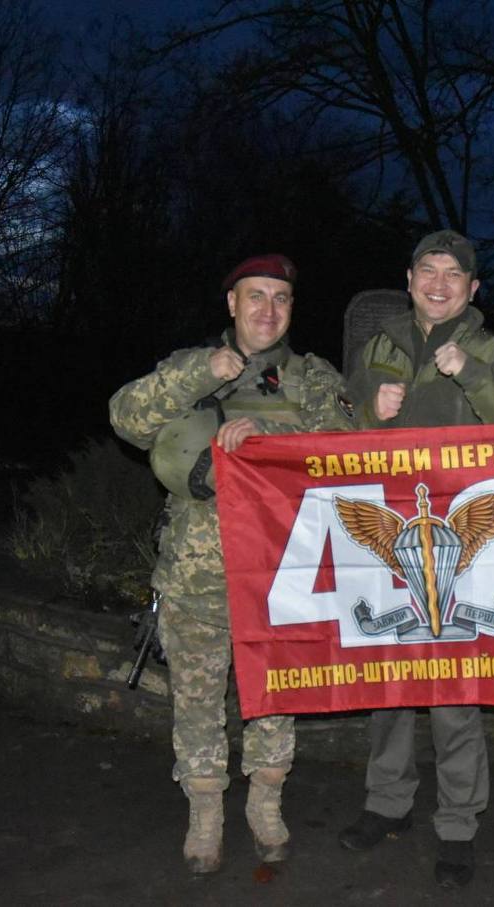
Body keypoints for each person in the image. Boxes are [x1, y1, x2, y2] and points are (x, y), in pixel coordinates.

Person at [108, 254, 351, 874]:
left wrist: (264, 444)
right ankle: (205, 812)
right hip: (197, 575)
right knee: (196, 700)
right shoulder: (192, 366)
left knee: (275, 696)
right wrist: (200, 373)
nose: (268, 310)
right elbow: (126, 419)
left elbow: (346, 455)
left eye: (281, 298)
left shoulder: (313, 377)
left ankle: (266, 802)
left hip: (282, 571)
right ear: (232, 303)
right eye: (255, 295)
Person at [339, 229, 494, 888]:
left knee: (454, 691)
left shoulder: (492, 350)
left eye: (454, 274)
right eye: (429, 269)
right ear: (409, 278)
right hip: (389, 543)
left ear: (472, 289)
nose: (439, 283)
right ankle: (386, 802)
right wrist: (369, 410)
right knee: (390, 683)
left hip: (461, 549)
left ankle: (457, 824)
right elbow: (333, 435)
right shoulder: (378, 345)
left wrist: (471, 374)